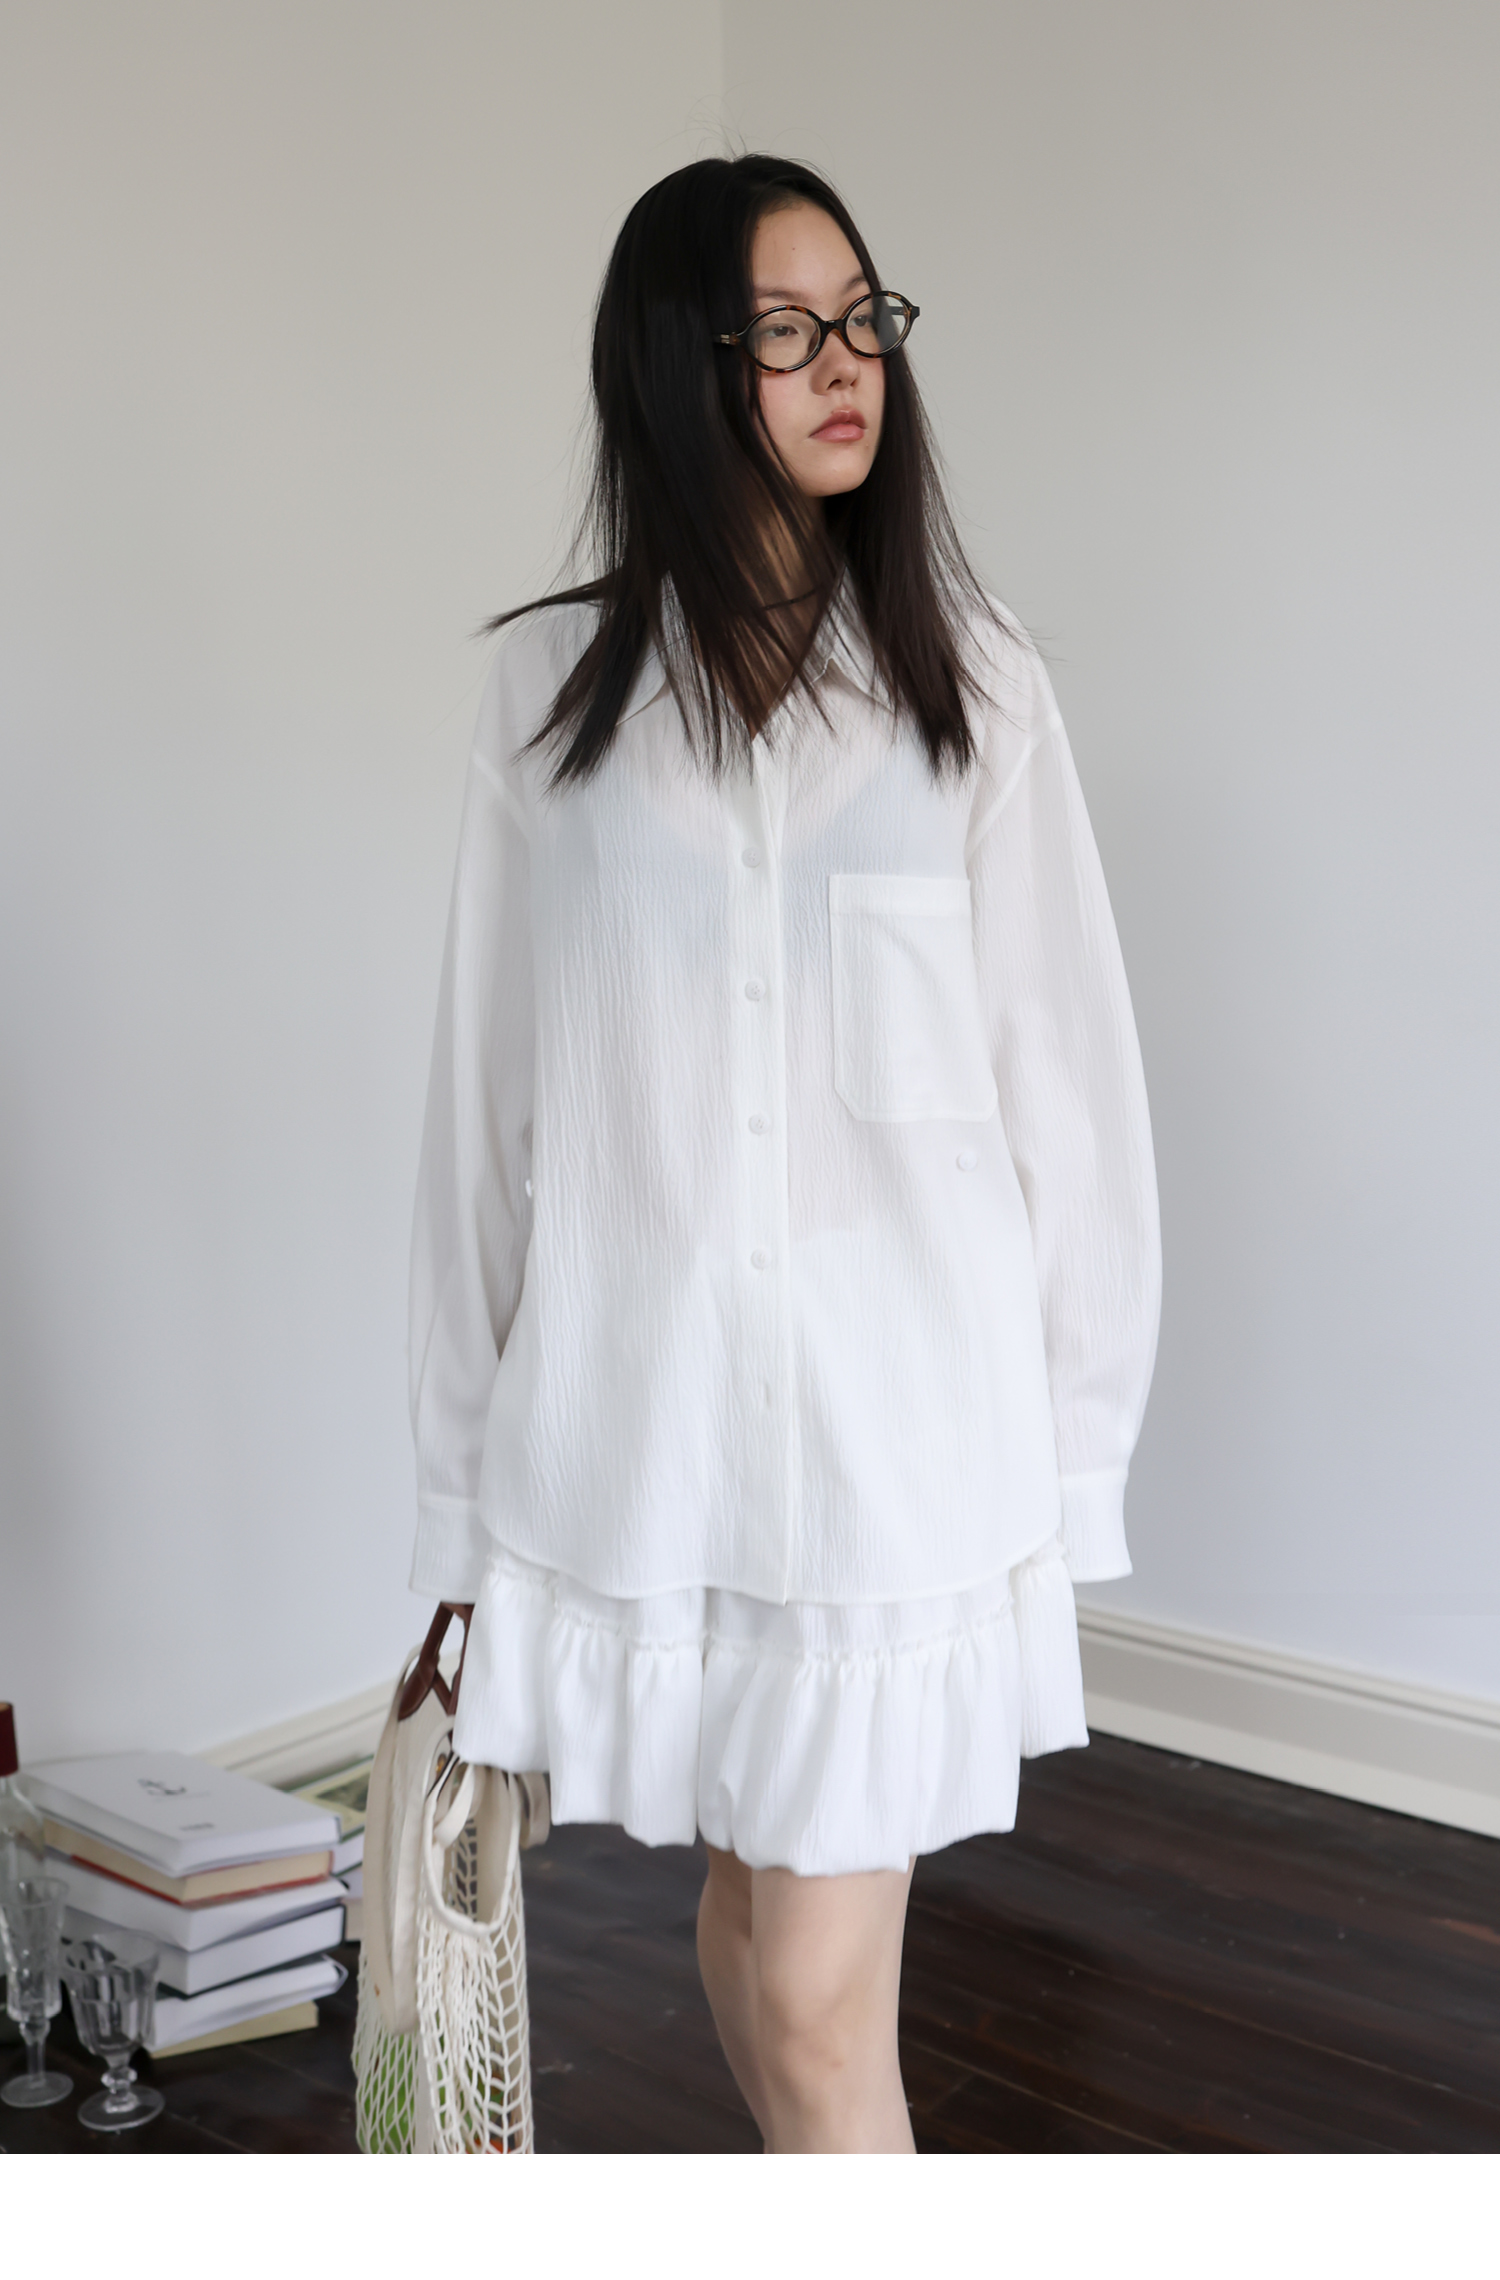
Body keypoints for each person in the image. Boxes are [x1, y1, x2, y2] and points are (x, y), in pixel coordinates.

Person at [407, 154, 1160, 2153]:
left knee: (819, 2001)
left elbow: (1069, 1097)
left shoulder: (976, 684)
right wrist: (457, 1501)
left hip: (897, 1461)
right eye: (787, 330)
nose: (850, 365)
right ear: (678, 365)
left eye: (867, 319)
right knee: (746, 1930)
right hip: (652, 1450)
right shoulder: (543, 703)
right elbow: (483, 1118)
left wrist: (1077, 1458)